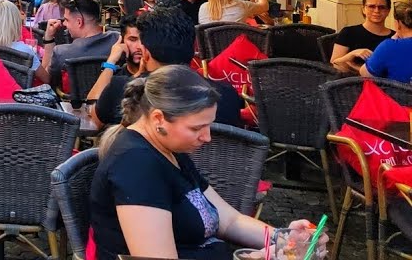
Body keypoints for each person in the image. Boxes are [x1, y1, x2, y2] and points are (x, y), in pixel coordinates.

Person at [91, 65, 322, 260]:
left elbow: (229, 220)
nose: (207, 137)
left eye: (208, 125)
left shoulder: (169, 149)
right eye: (196, 128)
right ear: (158, 118)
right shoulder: (136, 166)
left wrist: (284, 240)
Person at [91, 7, 243, 129]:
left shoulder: (123, 89)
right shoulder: (227, 94)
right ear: (193, 48)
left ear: (145, 52)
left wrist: (111, 62)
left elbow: (92, 120)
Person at [37, 0, 118, 86]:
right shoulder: (117, 40)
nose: (64, 24)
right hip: (110, 96)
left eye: (67, 20)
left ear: (79, 22)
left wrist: (49, 39)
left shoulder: (62, 52)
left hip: (72, 100)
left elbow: (45, 79)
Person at [332, 0, 394, 73]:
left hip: (387, 84)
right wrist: (352, 54)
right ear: (363, 9)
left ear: (388, 11)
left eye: (382, 7)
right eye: (371, 6)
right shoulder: (349, 32)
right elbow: (334, 63)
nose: (376, 11)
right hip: (351, 82)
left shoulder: (395, 37)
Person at [361, 2, 412, 83]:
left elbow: (365, 74)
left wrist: (393, 41)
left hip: (397, 95)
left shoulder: (389, 47)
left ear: (398, 23)